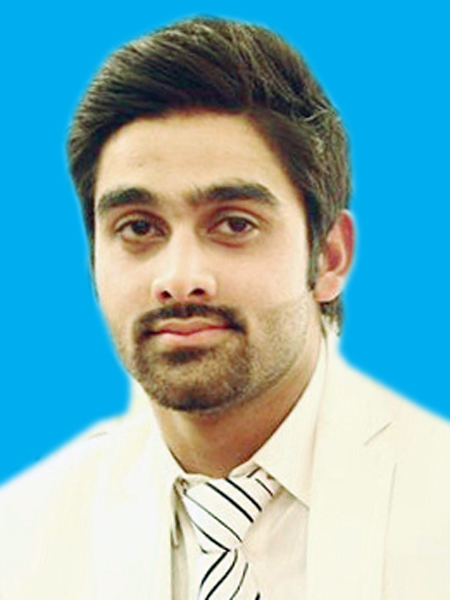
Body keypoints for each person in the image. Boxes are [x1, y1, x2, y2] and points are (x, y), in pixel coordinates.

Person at [0, 16, 449, 600]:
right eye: (138, 227)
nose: (179, 279)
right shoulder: (22, 541)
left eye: (234, 224)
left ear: (328, 257)